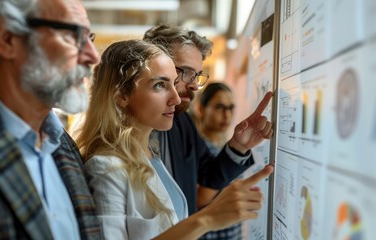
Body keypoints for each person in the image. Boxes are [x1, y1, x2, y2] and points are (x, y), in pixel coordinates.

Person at [74, 39, 274, 239]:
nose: (176, 98)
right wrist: (207, 219)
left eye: (174, 83)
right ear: (122, 95)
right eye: (160, 85)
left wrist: (239, 145)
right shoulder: (105, 168)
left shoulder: (152, 154)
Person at [0, 0, 102, 239]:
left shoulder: (64, 145)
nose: (93, 56)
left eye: (88, 38)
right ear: (7, 38)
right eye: (72, 36)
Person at [143, 24, 274, 216]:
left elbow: (208, 175)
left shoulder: (183, 122)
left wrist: (239, 146)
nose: (195, 86)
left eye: (197, 75)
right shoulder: (120, 134)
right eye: (186, 72)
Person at [196, 82, 243, 240]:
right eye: (219, 107)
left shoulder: (226, 149)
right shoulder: (199, 149)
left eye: (230, 108)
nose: (227, 115)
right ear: (201, 109)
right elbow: (199, 199)